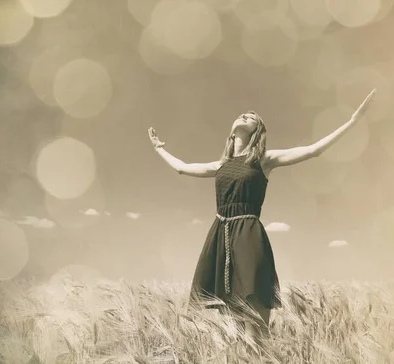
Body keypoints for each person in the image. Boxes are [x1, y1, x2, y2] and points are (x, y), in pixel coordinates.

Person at [148, 89, 376, 346]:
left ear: (257, 131)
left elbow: (313, 150)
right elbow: (182, 168)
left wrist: (352, 121)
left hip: (248, 234)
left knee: (254, 320)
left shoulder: (264, 160)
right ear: (232, 132)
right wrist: (158, 149)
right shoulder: (221, 165)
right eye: (243, 114)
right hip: (220, 236)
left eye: (252, 117)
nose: (245, 115)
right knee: (230, 322)